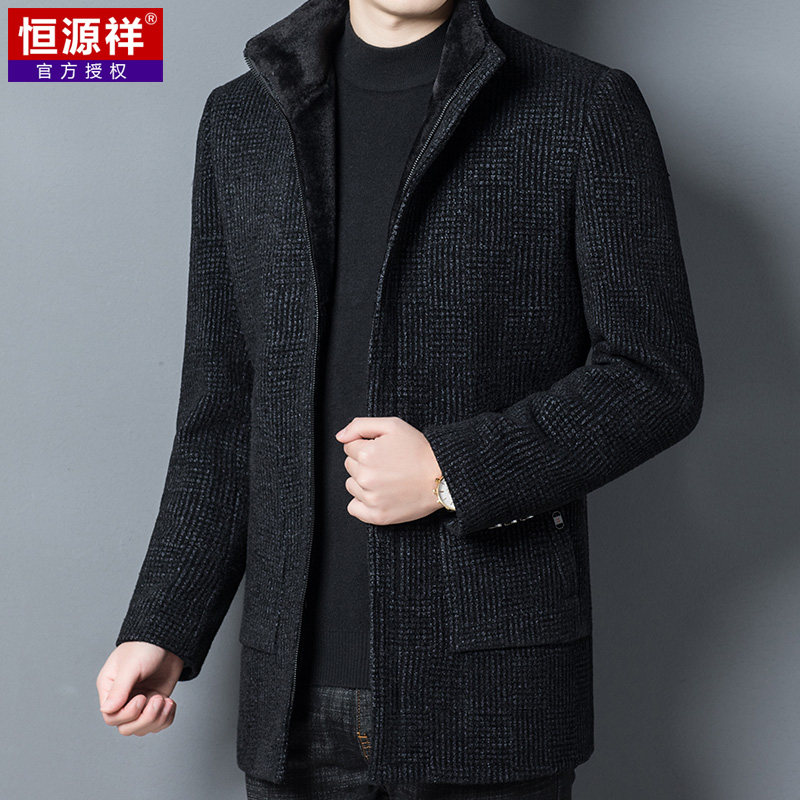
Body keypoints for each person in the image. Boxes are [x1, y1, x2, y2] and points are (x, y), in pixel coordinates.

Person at [96, 0, 704, 797]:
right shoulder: (241, 120)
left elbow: (654, 376)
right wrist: (163, 624)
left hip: (488, 695)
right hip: (292, 703)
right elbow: (224, 413)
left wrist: (453, 470)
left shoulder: (581, 105)